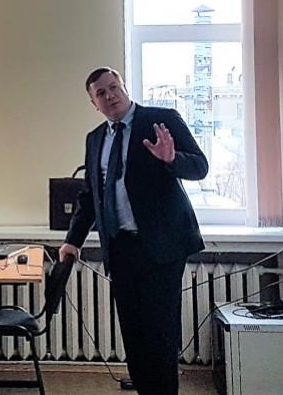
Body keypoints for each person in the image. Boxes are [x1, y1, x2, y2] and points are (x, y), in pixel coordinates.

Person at [59, 67, 209, 395]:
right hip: (120, 248)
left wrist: (172, 159)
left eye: (114, 87)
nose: (110, 95)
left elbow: (200, 166)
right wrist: (73, 240)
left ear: (124, 87)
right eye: (101, 93)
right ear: (94, 103)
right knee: (134, 332)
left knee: (160, 332)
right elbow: (90, 195)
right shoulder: (95, 139)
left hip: (161, 247)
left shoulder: (161, 120)